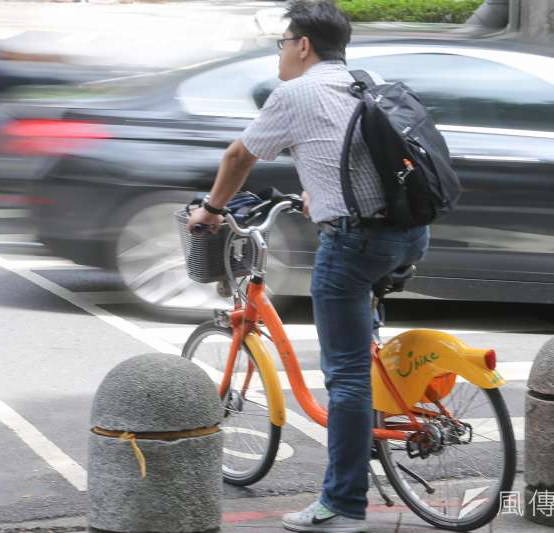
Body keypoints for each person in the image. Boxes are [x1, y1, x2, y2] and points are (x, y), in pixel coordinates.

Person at [187, 1, 429, 531]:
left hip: (356, 245)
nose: (281, 52)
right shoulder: (366, 82)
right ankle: (374, 424)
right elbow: (358, 158)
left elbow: (238, 158)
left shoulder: (295, 92)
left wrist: (211, 211)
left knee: (343, 377)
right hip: (411, 233)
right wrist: (315, 196)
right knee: (359, 352)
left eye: (283, 42)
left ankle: (342, 504)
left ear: (302, 46)